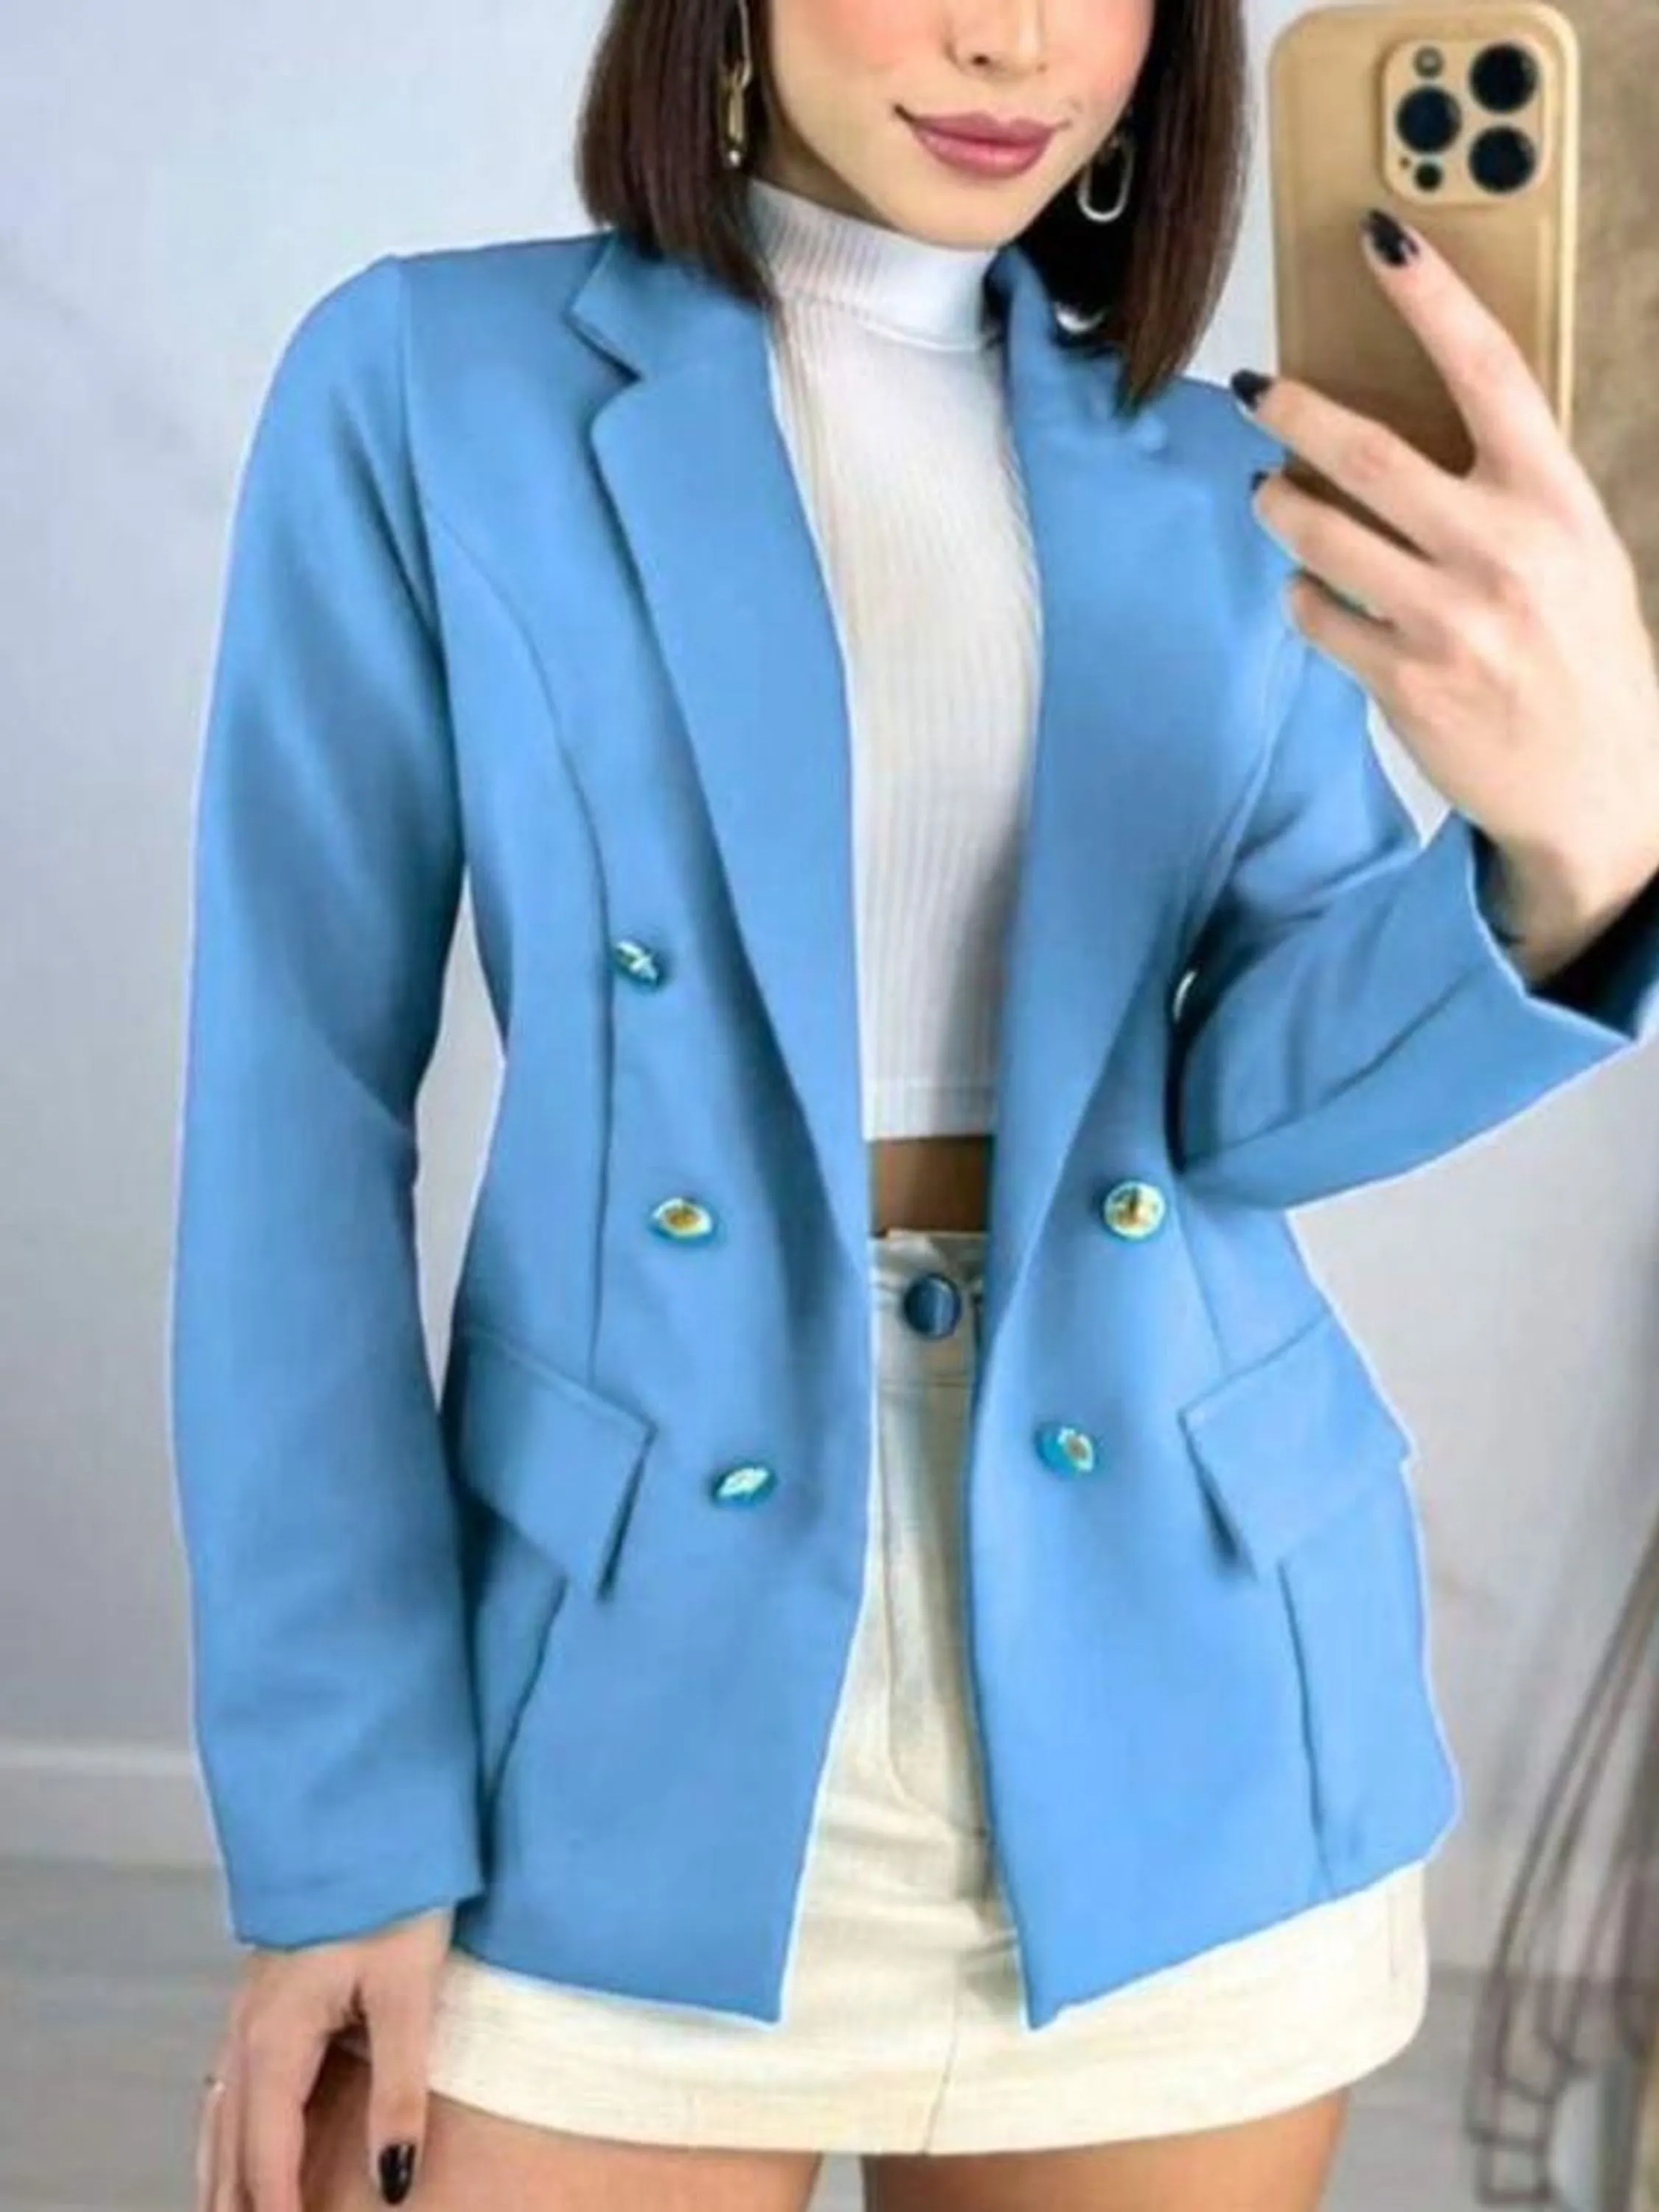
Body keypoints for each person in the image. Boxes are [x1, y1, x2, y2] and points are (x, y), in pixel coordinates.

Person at [173, 0, 1659, 2207]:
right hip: (617, 1687)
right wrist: (340, 1829)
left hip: (1184, 1688)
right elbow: (290, 1132)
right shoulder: (430, 387)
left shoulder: (1222, 474)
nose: (1012, 38)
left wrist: (1569, 864)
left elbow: (1253, 1109)